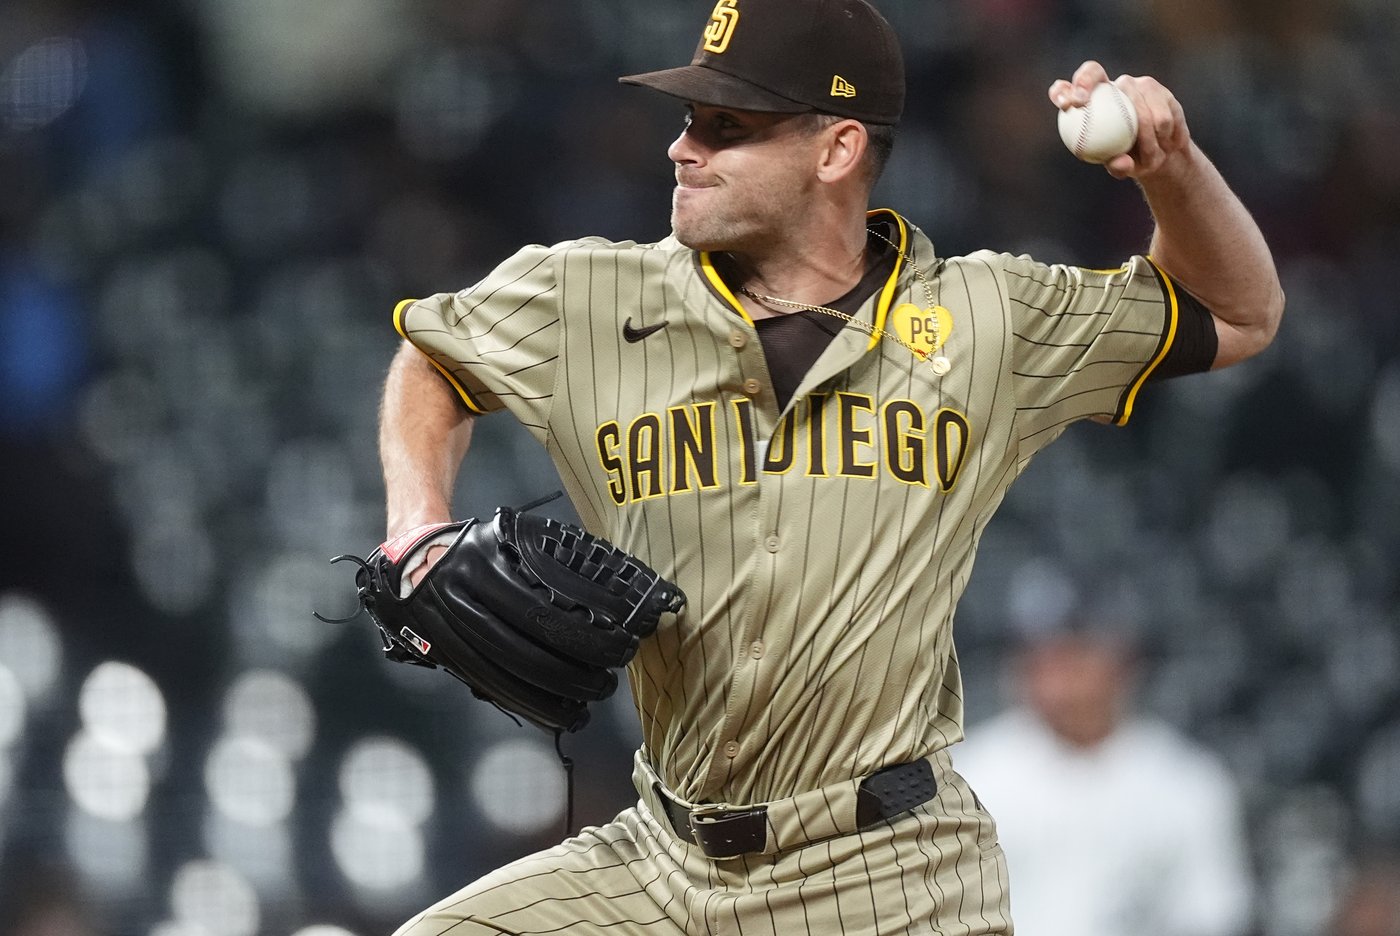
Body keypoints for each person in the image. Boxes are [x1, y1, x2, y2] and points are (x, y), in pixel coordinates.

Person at [376, 0, 1284, 931]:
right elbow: (434, 358)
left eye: (728, 127)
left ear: (837, 148)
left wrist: (1171, 170)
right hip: (659, 858)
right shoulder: (587, 295)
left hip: (887, 874)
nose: (683, 149)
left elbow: (1238, 312)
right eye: (689, 121)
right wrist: (418, 521)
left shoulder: (989, 320)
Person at [954, 622, 1255, 936]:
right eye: (1045, 659)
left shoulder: (1186, 782)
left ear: (1123, 664)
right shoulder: (969, 777)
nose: (1059, 681)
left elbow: (1209, 916)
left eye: (1076, 659)